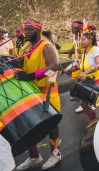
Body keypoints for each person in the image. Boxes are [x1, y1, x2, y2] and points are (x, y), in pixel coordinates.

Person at [15, 20, 62, 170]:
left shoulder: (46, 46)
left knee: (52, 125)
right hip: (32, 91)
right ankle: (34, 156)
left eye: (29, 29)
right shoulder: (26, 47)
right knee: (29, 124)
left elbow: (54, 67)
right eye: (24, 29)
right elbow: (24, 66)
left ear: (38, 30)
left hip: (48, 91)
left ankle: (56, 153)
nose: (26, 32)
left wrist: (33, 76)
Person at [64, 32, 99, 121]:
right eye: (80, 40)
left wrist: (85, 72)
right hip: (89, 81)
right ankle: (94, 121)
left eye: (83, 40)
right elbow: (79, 66)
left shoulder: (95, 50)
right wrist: (66, 70)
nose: (81, 42)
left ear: (90, 41)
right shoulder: (85, 53)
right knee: (83, 103)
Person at [61, 21, 86, 112]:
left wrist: (81, 52)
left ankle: (83, 103)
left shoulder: (86, 36)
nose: (72, 29)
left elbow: (92, 49)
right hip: (77, 62)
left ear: (80, 28)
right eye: (72, 27)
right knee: (74, 82)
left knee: (81, 83)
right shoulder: (75, 37)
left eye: (74, 28)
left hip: (85, 62)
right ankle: (79, 96)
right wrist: (61, 52)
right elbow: (73, 48)